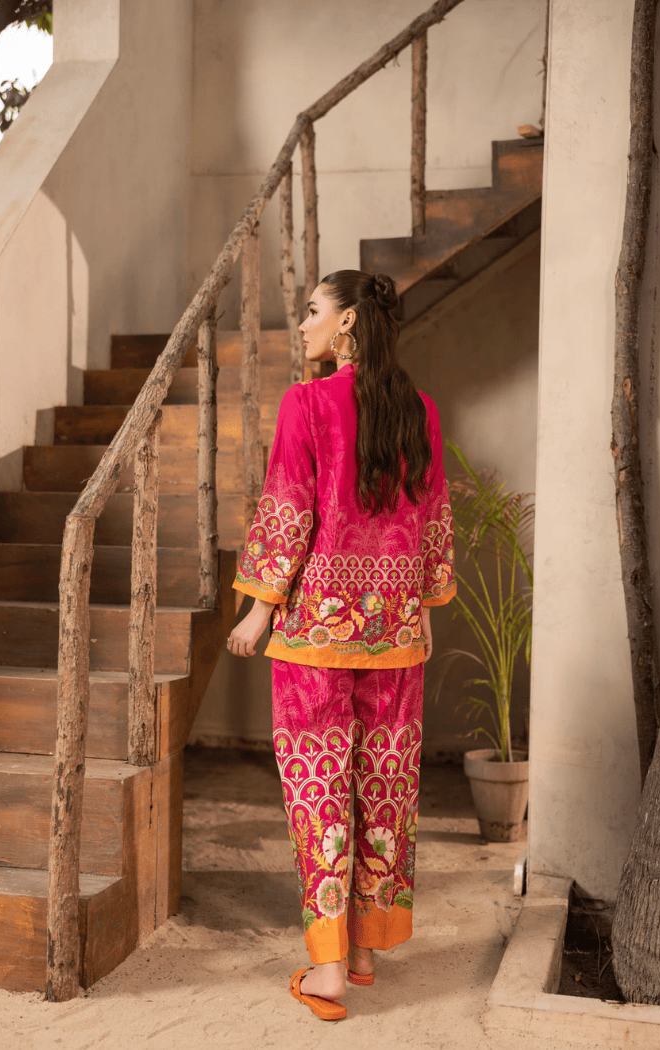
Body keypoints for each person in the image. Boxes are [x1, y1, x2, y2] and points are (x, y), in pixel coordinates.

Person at [227, 269, 455, 1021]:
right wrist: (422, 608)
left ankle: (325, 970)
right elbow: (431, 515)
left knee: (321, 794)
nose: (302, 326)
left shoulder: (308, 403)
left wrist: (260, 610)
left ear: (349, 322)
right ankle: (363, 950)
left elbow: (289, 504)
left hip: (316, 639)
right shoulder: (419, 407)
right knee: (383, 794)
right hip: (397, 636)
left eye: (313, 311)